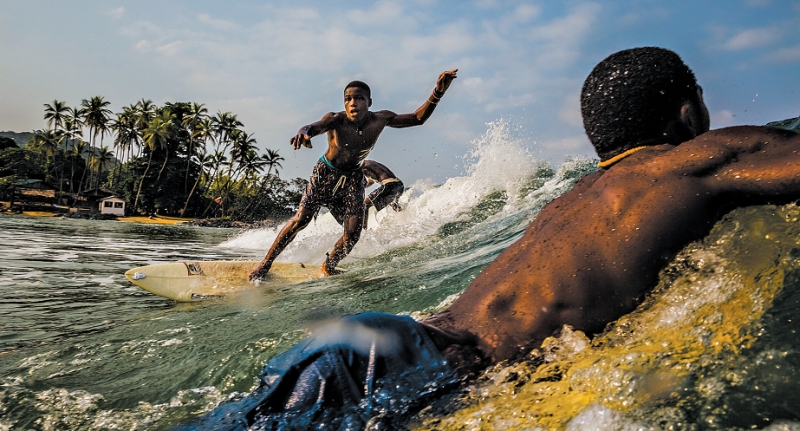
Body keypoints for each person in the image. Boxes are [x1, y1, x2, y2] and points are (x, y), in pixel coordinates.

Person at [182, 47, 800, 429]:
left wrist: (439, 89)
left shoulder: (565, 204)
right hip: (418, 375)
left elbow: (417, 117)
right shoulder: (695, 160)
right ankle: (268, 263)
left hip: (376, 345)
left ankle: (320, 266)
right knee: (301, 222)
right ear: (690, 114)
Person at [249, 70, 458, 280]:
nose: (353, 103)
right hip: (325, 173)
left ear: (369, 102)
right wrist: (304, 132)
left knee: (353, 234)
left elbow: (417, 118)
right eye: (348, 99)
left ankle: (329, 266)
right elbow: (314, 126)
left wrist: (437, 93)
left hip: (353, 178)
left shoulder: (380, 119)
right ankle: (264, 265)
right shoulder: (335, 120)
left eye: (359, 98)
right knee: (301, 220)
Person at [361, 159, 404, 229]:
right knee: (394, 206)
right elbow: (371, 180)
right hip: (399, 185)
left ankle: (362, 230)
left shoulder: (360, 166)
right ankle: (407, 218)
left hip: (389, 185)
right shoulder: (369, 163)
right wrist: (364, 186)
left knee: (365, 204)